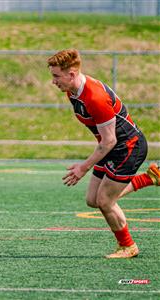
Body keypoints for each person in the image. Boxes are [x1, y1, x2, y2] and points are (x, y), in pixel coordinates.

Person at [47, 49, 149, 258]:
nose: (53, 81)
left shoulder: (94, 97)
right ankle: (149, 178)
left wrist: (83, 168)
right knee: (93, 200)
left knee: (105, 201)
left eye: (56, 76)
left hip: (127, 148)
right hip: (111, 148)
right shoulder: (72, 91)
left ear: (72, 74)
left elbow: (110, 140)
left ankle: (128, 246)